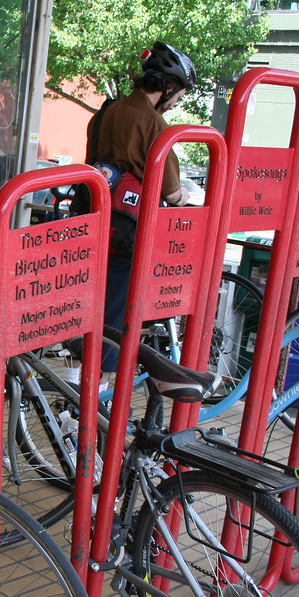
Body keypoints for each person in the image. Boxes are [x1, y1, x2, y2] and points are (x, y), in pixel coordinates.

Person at [65, 42, 196, 387]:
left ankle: (70, 383)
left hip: (91, 215)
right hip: (126, 228)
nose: (176, 102)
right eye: (178, 95)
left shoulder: (107, 111)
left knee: (87, 301)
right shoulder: (155, 123)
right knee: (116, 312)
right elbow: (170, 191)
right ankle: (96, 398)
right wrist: (185, 202)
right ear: (167, 87)